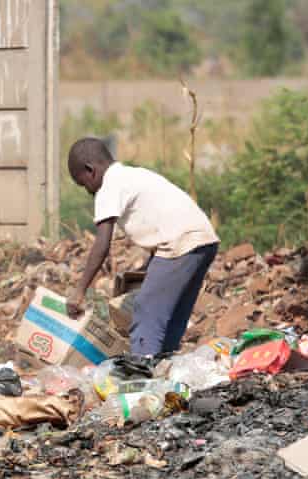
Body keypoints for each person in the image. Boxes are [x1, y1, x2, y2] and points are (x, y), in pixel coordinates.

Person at [65, 137, 219, 362]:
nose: (87, 191)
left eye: (83, 183)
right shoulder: (133, 175)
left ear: (91, 170)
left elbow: (102, 244)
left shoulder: (109, 186)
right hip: (203, 241)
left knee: (146, 309)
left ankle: (141, 377)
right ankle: (163, 369)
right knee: (171, 315)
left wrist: (79, 291)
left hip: (180, 242)